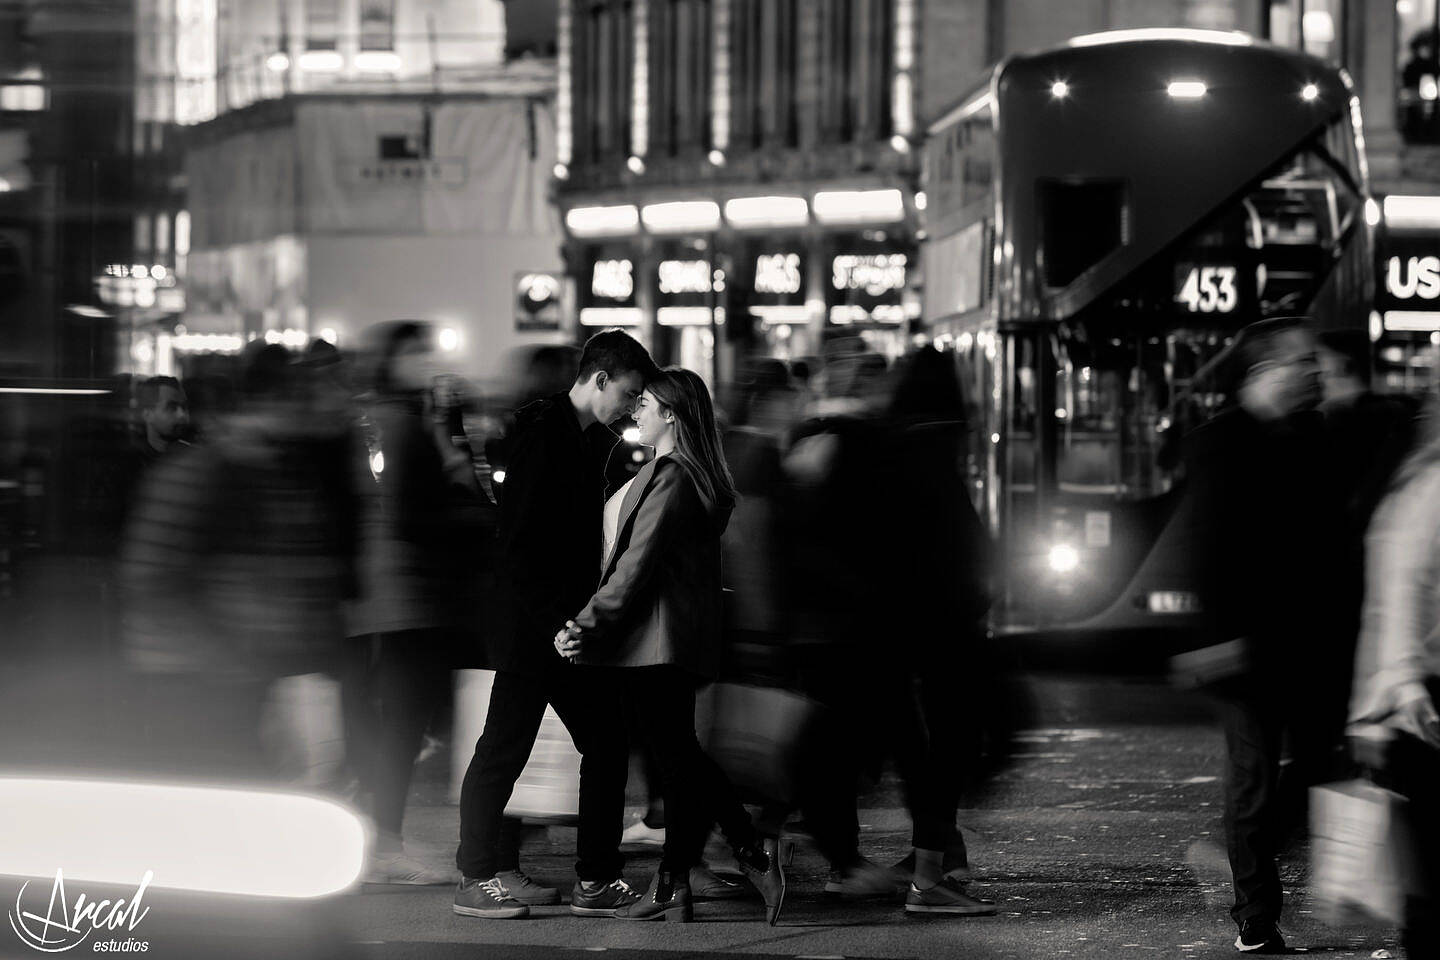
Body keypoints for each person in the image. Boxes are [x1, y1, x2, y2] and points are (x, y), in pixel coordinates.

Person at [553, 368, 786, 924]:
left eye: (648, 404)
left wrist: (587, 622)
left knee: (678, 761)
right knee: (679, 760)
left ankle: (745, 855)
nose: (637, 411)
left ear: (672, 415)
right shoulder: (681, 473)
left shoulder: (674, 476)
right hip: (665, 639)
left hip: (653, 642)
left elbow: (635, 564)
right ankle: (682, 876)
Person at [453, 330, 656, 920]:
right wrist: (559, 624)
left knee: (593, 744)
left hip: (556, 625)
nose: (631, 404)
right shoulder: (547, 439)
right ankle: (478, 876)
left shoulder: (583, 437)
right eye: (628, 391)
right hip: (536, 627)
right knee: (506, 749)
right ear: (599, 379)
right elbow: (519, 548)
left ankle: (588, 877)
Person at [1185, 317, 1351, 954]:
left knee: (1316, 766)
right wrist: (1216, 639)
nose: (1314, 371)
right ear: (1266, 371)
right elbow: (1208, 550)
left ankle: (1245, 865)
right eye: (1302, 361)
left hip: (1310, 641)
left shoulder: (1315, 435)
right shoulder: (1218, 443)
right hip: (1247, 647)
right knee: (1254, 780)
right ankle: (1256, 914)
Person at [346, 322, 484, 885]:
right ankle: (384, 842)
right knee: (404, 718)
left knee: (398, 717)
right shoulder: (402, 425)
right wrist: (464, 501)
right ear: (392, 358)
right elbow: (412, 514)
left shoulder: (390, 418)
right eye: (416, 349)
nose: (428, 358)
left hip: (391, 595)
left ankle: (379, 831)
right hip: (410, 595)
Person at [1349, 399, 1440, 959]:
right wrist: (1407, 683)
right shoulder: (1430, 487)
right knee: (1430, 874)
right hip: (1427, 700)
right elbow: (1402, 591)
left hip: (1420, 695)